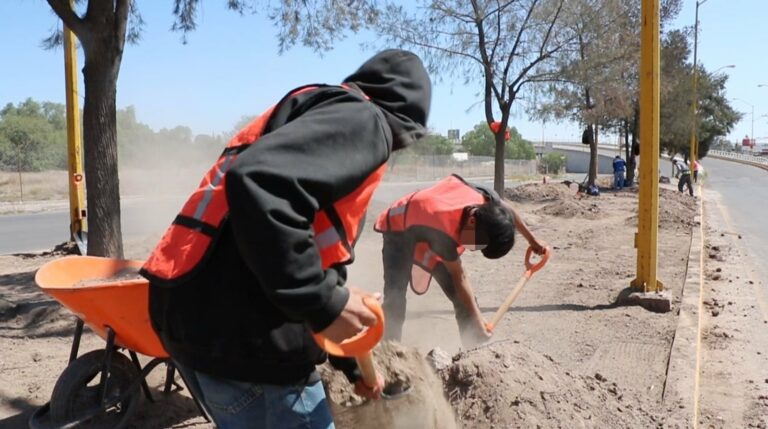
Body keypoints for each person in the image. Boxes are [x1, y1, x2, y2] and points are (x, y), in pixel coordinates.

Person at [139, 49, 432, 429]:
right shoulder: (364, 119)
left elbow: (304, 245)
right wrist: (323, 300)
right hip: (249, 340)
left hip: (191, 321)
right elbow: (260, 183)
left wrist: (349, 362)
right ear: (405, 118)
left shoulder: (314, 110)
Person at [373, 174, 547, 348]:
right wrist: (478, 319)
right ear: (472, 221)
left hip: (429, 231)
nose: (473, 248)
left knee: (463, 300)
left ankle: (472, 351)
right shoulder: (442, 226)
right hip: (399, 228)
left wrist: (532, 240)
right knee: (395, 299)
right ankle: (390, 353)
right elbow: (459, 276)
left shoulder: (485, 201)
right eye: (477, 244)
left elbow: (506, 209)